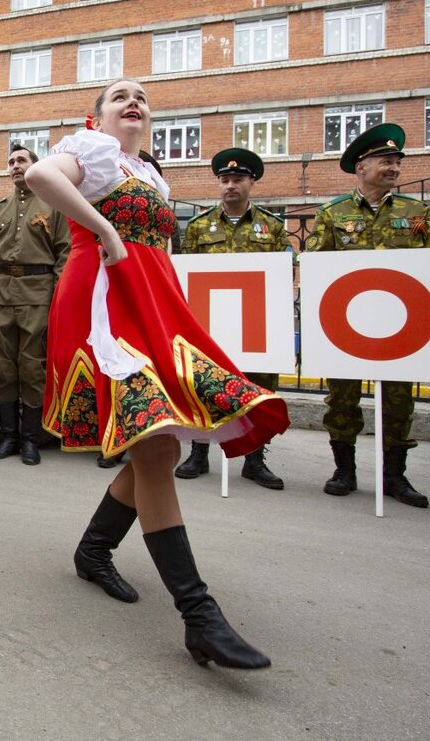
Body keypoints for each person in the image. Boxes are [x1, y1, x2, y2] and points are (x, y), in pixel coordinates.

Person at [25, 80, 289, 669]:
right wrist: (106, 229)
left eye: (141, 96)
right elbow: (40, 177)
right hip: (104, 306)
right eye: (119, 96)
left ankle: (94, 550)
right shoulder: (91, 152)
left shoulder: (149, 175)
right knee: (152, 449)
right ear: (97, 116)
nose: (133, 101)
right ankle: (199, 615)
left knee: (162, 449)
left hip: (151, 303)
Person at [305, 123, 428, 509]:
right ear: (361, 167)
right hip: (346, 326)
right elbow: (315, 268)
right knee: (342, 399)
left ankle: (394, 476)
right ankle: (345, 471)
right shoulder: (332, 214)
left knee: (399, 401)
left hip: (400, 327)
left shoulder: (418, 213)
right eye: (385, 161)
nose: (394, 167)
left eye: (396, 162)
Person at [173, 148, 291, 490]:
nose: (230, 185)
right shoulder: (198, 227)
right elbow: (186, 277)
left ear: (251, 182)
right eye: (224, 180)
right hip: (211, 324)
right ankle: (199, 453)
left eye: (237, 179)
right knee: (205, 387)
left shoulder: (273, 227)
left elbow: (284, 275)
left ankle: (255, 460)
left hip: (256, 323)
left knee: (256, 388)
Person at [0, 145, 70, 466]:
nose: (16, 166)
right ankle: (8, 437)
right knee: (3, 367)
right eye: (11, 162)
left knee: (31, 368)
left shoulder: (55, 205)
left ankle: (30, 439)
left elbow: (64, 255)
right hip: (1, 295)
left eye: (22, 161)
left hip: (38, 296)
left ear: (35, 167)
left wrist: (58, 299)